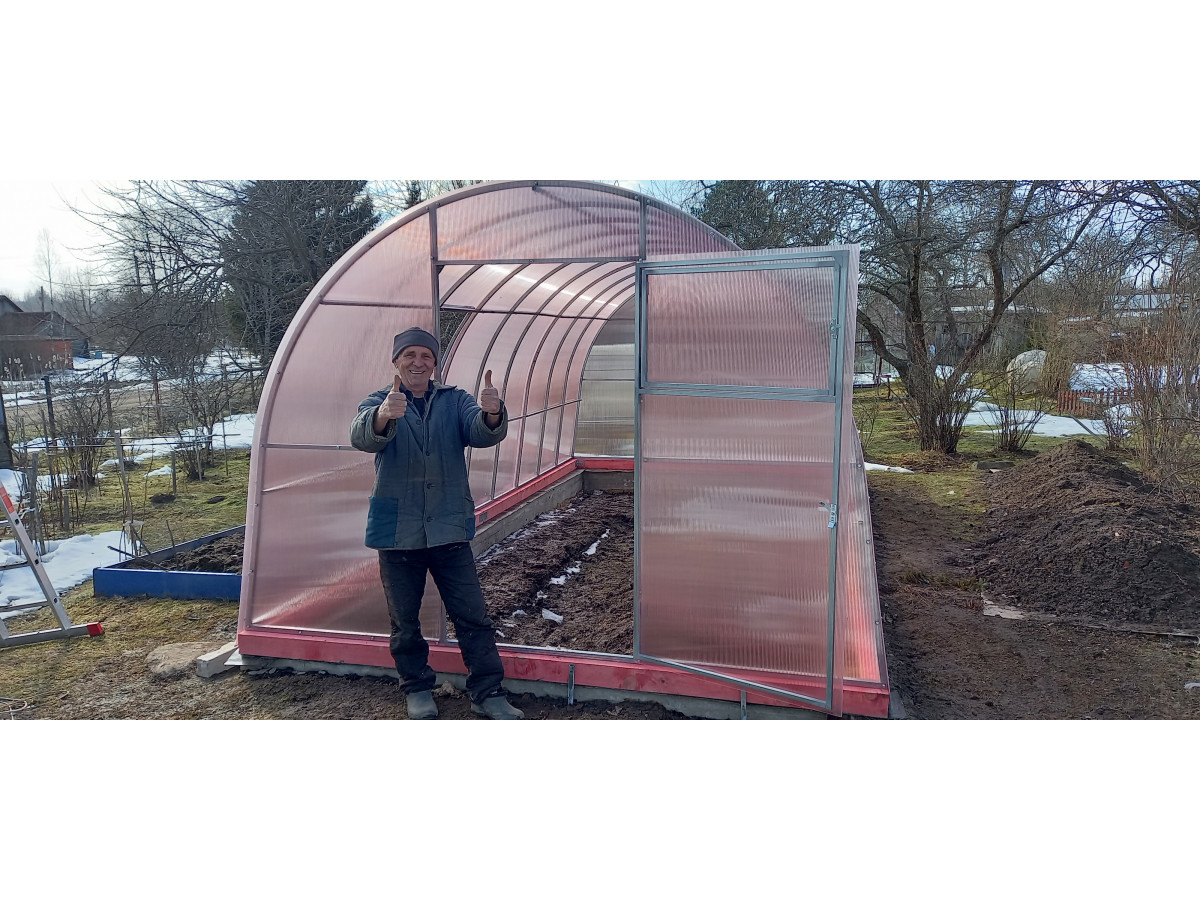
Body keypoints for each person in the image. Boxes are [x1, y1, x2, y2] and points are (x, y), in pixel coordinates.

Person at [349, 326, 523, 720]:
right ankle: (416, 688)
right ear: (396, 361)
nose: (418, 362)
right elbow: (362, 437)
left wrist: (492, 412)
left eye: (426, 355)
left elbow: (479, 431)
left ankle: (487, 691)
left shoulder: (454, 400)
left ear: (434, 363)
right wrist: (382, 416)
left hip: (448, 526)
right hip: (398, 532)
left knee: (472, 615)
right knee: (405, 621)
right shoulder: (379, 401)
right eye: (409, 355)